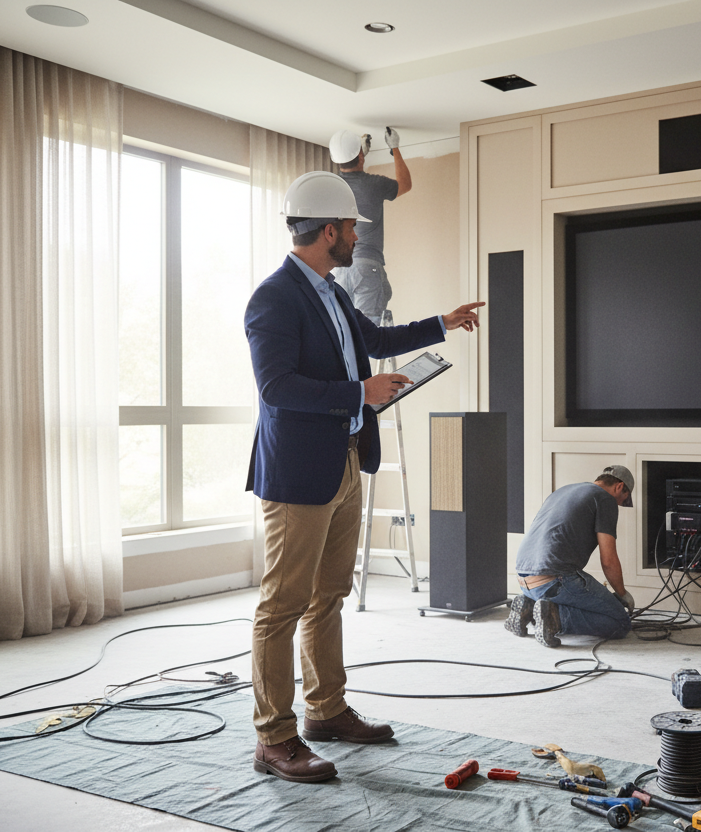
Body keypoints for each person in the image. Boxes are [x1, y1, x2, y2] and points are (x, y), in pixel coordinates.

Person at [244, 170, 483, 784]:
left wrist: (443, 321)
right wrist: (360, 390)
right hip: (299, 472)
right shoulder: (273, 298)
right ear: (329, 230)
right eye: (352, 226)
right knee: (282, 604)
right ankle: (274, 738)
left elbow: (373, 339)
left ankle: (325, 711)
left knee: (330, 594)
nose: (357, 236)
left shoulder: (334, 290)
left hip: (346, 457)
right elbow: (276, 388)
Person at [506, 465, 637, 647]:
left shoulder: (562, 491)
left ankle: (527, 608)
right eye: (623, 499)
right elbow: (608, 560)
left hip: (524, 579)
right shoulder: (605, 499)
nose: (620, 505)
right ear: (619, 487)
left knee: (584, 600)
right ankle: (555, 617)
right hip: (554, 580)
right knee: (621, 622)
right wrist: (623, 594)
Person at [328, 127, 410, 321]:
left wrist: (359, 155)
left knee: (344, 327)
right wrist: (395, 148)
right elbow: (405, 184)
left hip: (339, 268)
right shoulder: (373, 184)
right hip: (366, 265)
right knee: (369, 332)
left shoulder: (332, 186)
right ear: (360, 156)